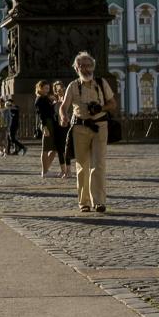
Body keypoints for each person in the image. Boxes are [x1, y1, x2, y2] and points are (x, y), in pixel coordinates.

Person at [58, 53, 119, 214]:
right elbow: (63, 106)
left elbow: (113, 103)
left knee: (98, 164)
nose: (85, 69)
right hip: (80, 127)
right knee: (82, 166)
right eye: (82, 66)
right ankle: (83, 202)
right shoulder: (73, 86)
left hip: (100, 126)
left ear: (93, 67)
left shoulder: (101, 83)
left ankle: (99, 201)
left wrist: (101, 108)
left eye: (88, 65)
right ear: (76, 68)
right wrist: (63, 116)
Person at [34, 83, 60, 178]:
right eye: (45, 88)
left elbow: (50, 111)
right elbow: (41, 114)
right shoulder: (40, 99)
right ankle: (45, 171)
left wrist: (53, 103)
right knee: (45, 148)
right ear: (40, 88)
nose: (47, 90)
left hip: (51, 122)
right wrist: (44, 127)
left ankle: (45, 170)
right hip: (47, 123)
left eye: (48, 88)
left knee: (53, 149)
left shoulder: (46, 98)